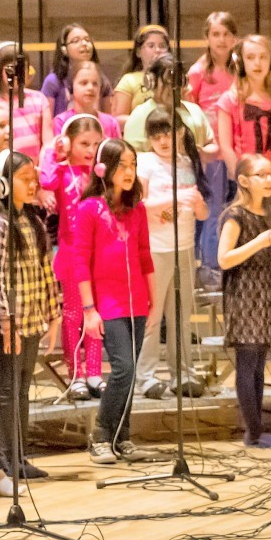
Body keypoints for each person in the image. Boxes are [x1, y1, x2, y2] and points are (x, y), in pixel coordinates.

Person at [0, 150, 60, 489]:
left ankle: (20, 455)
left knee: (23, 390)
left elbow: (47, 273)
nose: (32, 185)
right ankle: (5, 458)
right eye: (24, 179)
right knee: (6, 391)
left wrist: (53, 316)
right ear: (2, 184)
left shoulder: (34, 222)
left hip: (31, 321)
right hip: (7, 327)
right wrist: (5, 321)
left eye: (34, 180)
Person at [72, 138, 153, 465]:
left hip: (138, 303)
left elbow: (146, 257)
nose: (129, 171)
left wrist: (154, 303)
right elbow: (81, 261)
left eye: (133, 164)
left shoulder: (138, 210)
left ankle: (123, 436)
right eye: (123, 165)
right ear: (104, 168)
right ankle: (102, 435)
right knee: (124, 369)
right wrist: (89, 309)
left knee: (131, 374)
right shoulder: (89, 208)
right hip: (107, 303)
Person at [218, 155, 271, 448]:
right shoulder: (236, 216)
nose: (269, 179)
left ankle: (257, 429)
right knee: (248, 363)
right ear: (244, 181)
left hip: (267, 294)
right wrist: (260, 241)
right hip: (244, 294)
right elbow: (224, 259)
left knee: (260, 364)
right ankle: (254, 432)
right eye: (261, 174)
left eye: (270, 174)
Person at [136, 106, 208, 399]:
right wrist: (176, 197)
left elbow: (201, 210)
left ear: (179, 133)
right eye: (156, 136)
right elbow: (139, 206)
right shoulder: (145, 163)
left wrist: (200, 206)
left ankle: (184, 373)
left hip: (184, 247)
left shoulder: (188, 163)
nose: (163, 141)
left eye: (168, 134)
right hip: (156, 249)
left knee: (182, 316)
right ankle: (146, 375)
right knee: (153, 315)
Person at [45, 112, 106, 399]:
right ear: (69, 142)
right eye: (84, 143)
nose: (91, 150)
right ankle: (76, 374)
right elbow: (43, 179)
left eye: (96, 144)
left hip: (98, 255)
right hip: (71, 256)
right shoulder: (60, 171)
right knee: (72, 316)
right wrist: (55, 152)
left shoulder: (99, 176)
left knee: (95, 314)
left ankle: (94, 372)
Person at [189, 12, 240, 270]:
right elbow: (188, 111)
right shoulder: (198, 72)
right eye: (215, 34)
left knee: (236, 209)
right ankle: (211, 267)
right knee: (214, 210)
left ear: (234, 38)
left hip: (238, 150)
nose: (221, 40)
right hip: (212, 154)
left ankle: (233, 262)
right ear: (207, 38)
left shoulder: (240, 70)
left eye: (227, 34)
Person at [215, 33, 271, 171]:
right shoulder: (229, 101)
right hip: (244, 179)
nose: (257, 63)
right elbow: (226, 148)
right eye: (250, 57)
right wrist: (240, 178)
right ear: (241, 63)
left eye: (263, 57)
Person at [110, 24, 169, 117]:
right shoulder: (129, 80)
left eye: (162, 46)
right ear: (138, 52)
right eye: (151, 46)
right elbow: (118, 119)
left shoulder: (175, 78)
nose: (157, 50)